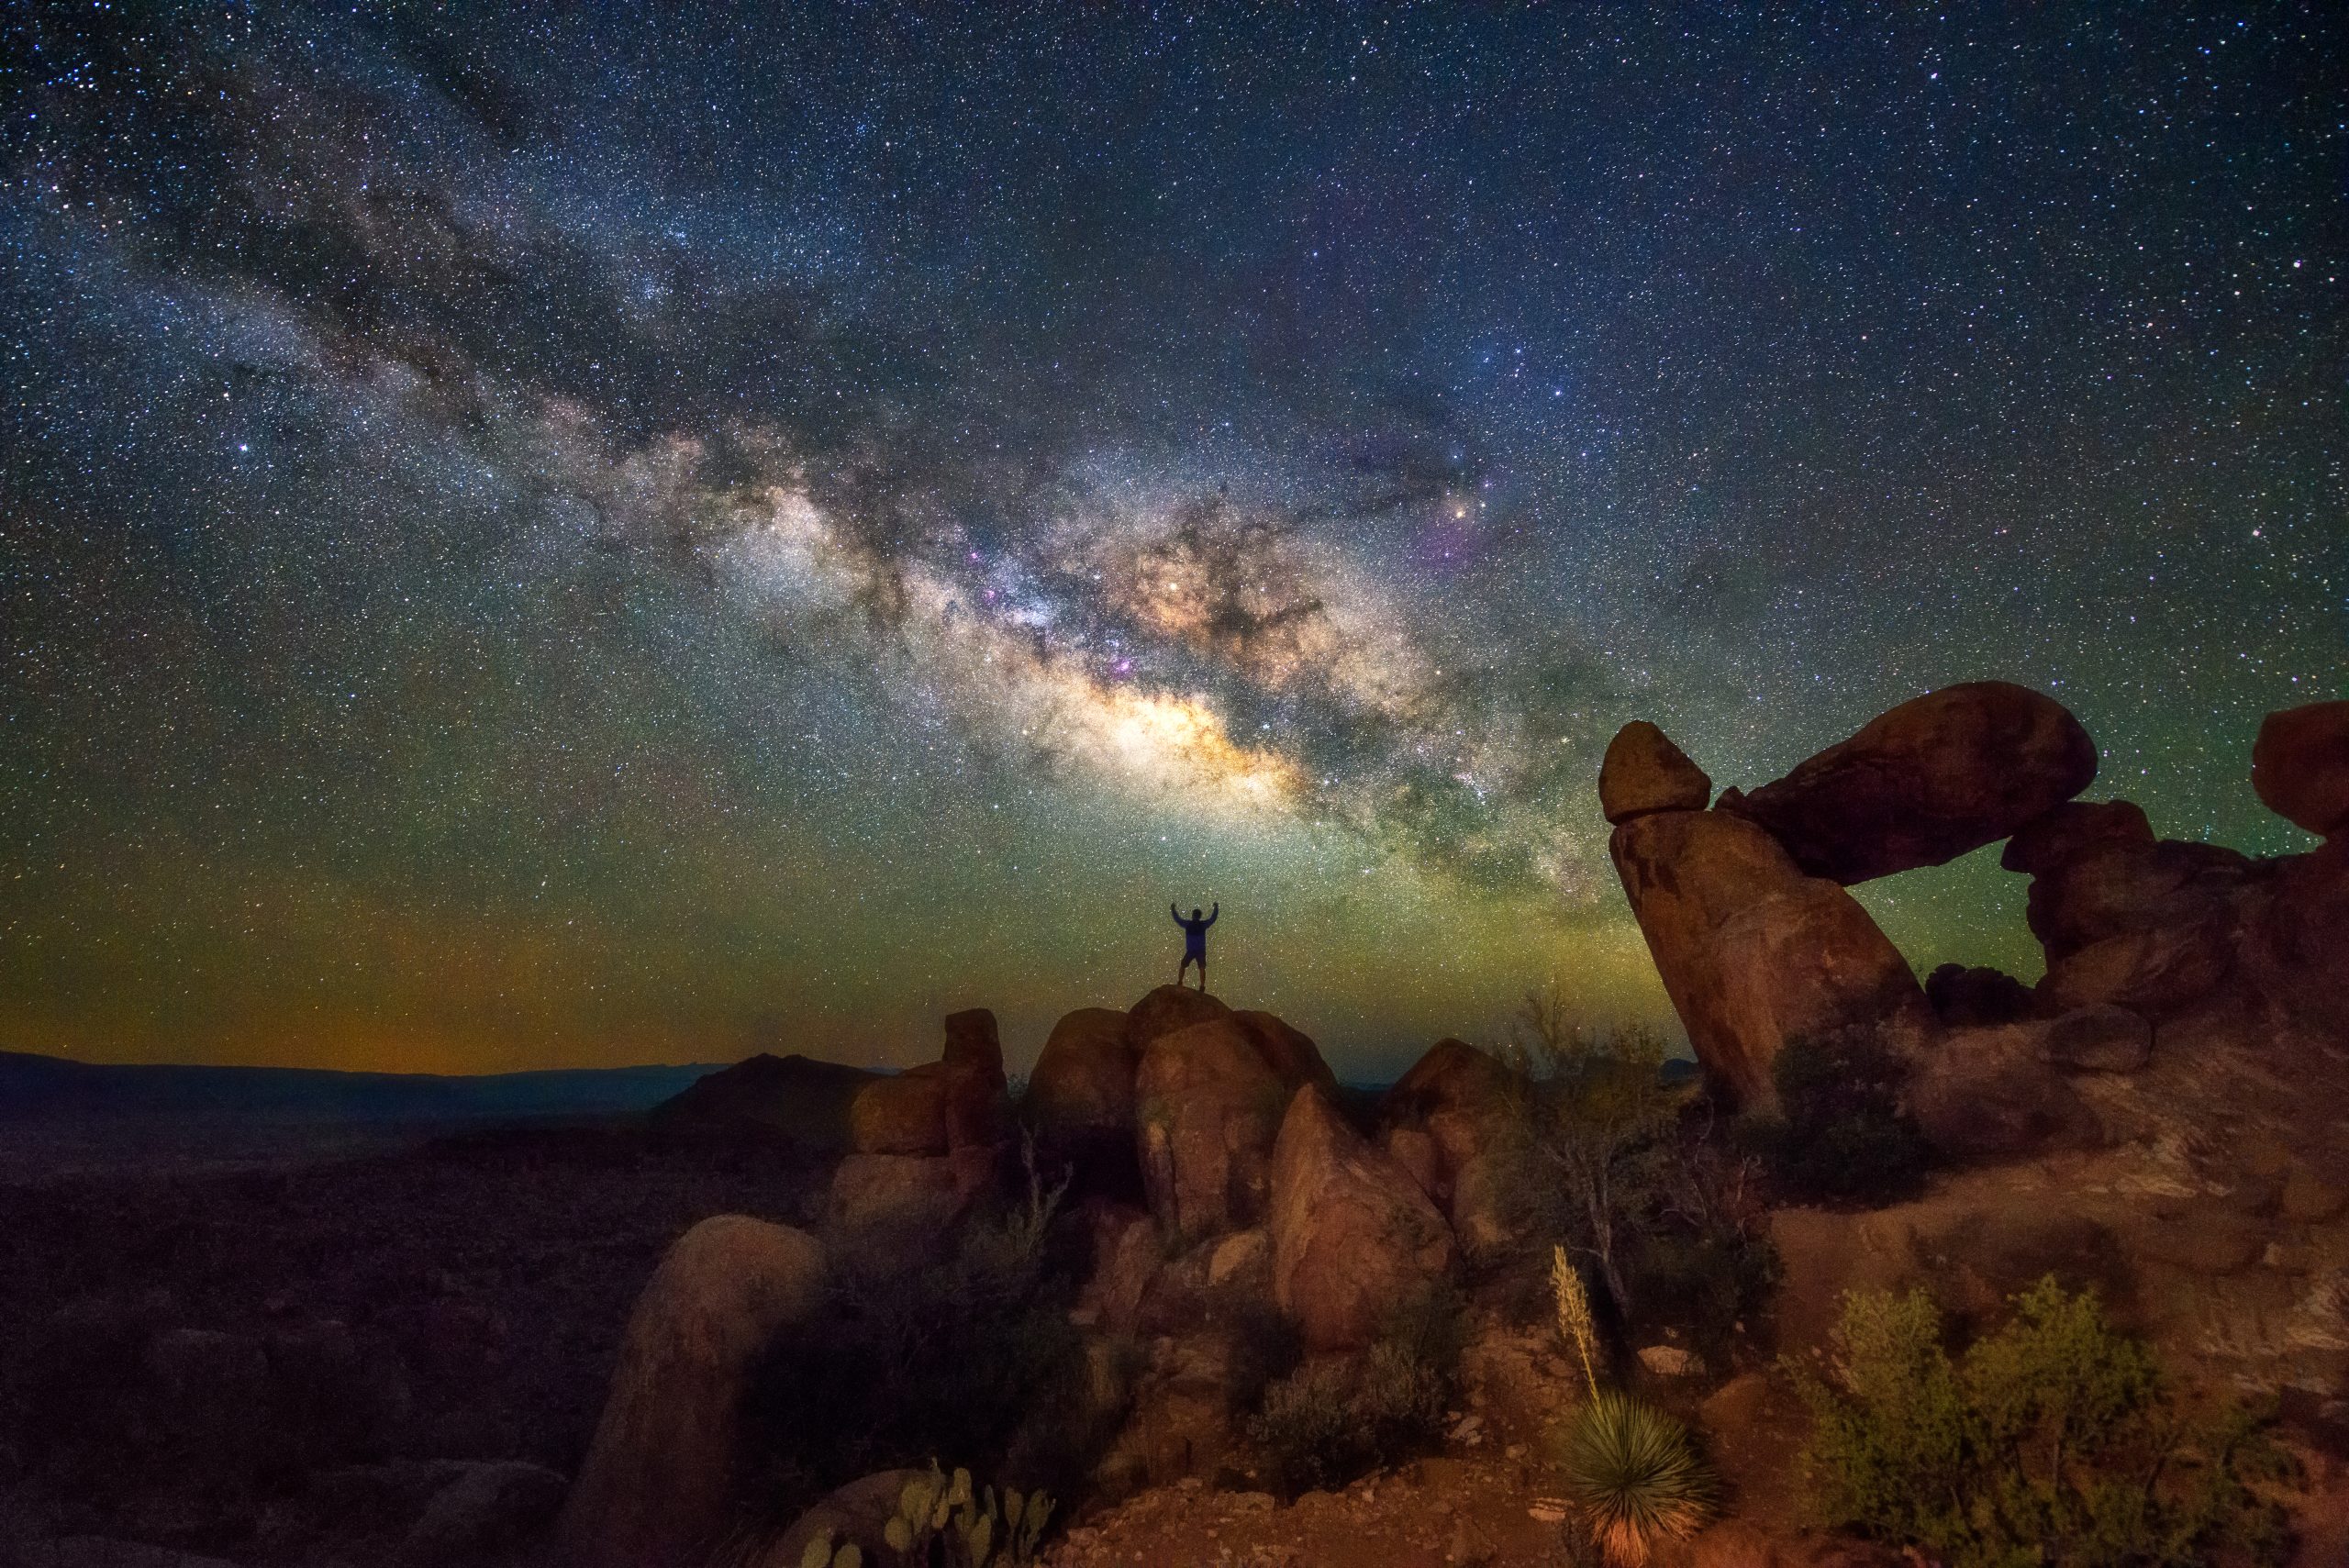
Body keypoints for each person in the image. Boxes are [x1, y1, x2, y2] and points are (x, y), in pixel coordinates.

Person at [1171, 901, 1219, 991]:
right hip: (1200, 950)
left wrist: (1173, 909)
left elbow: (1177, 919)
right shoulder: (1203, 925)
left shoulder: (1188, 924)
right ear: (1200, 916)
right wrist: (1216, 908)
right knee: (1202, 967)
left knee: (1183, 965)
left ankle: (1180, 982)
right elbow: (1213, 918)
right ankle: (1202, 986)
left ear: (1193, 915)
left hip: (1191, 950)